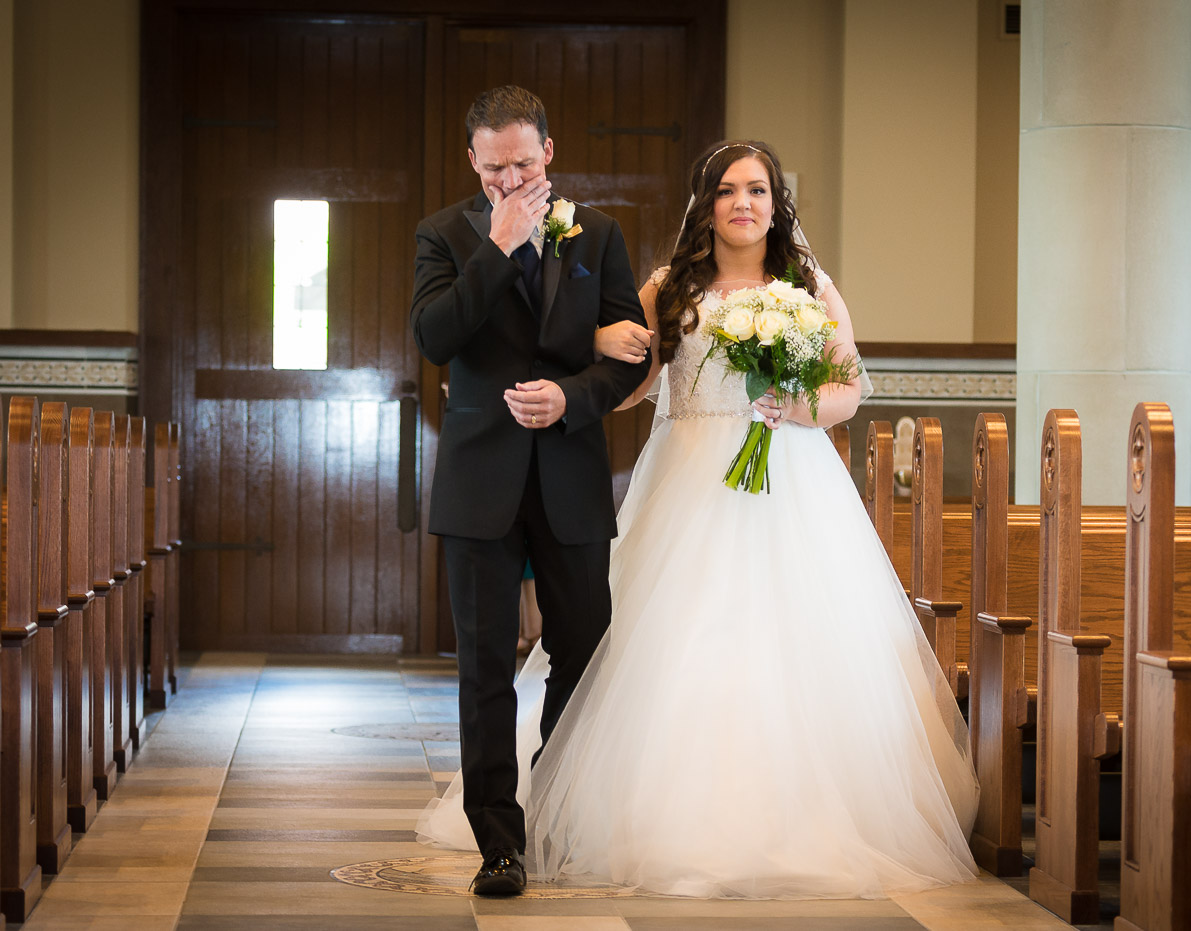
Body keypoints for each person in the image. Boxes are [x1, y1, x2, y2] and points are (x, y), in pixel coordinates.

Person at [417, 139, 979, 898]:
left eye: (755, 189)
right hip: (685, 479)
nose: (741, 202)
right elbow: (623, 381)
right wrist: (588, 350)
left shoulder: (805, 284)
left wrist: (800, 406)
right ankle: (601, 814)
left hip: (788, 479)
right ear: (704, 204)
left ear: (777, 204)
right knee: (662, 645)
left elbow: (849, 385)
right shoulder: (666, 287)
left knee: (790, 650)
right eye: (724, 190)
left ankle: (790, 820)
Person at [410, 85, 649, 896]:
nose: (509, 181)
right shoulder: (443, 234)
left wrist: (570, 398)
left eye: (522, 163)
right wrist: (497, 247)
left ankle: (553, 803)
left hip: (569, 475)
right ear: (471, 162)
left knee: (581, 646)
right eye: (492, 169)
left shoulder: (600, 234)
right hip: (479, 480)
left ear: (548, 151)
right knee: (482, 665)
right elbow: (438, 336)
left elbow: (628, 356)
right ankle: (499, 843)